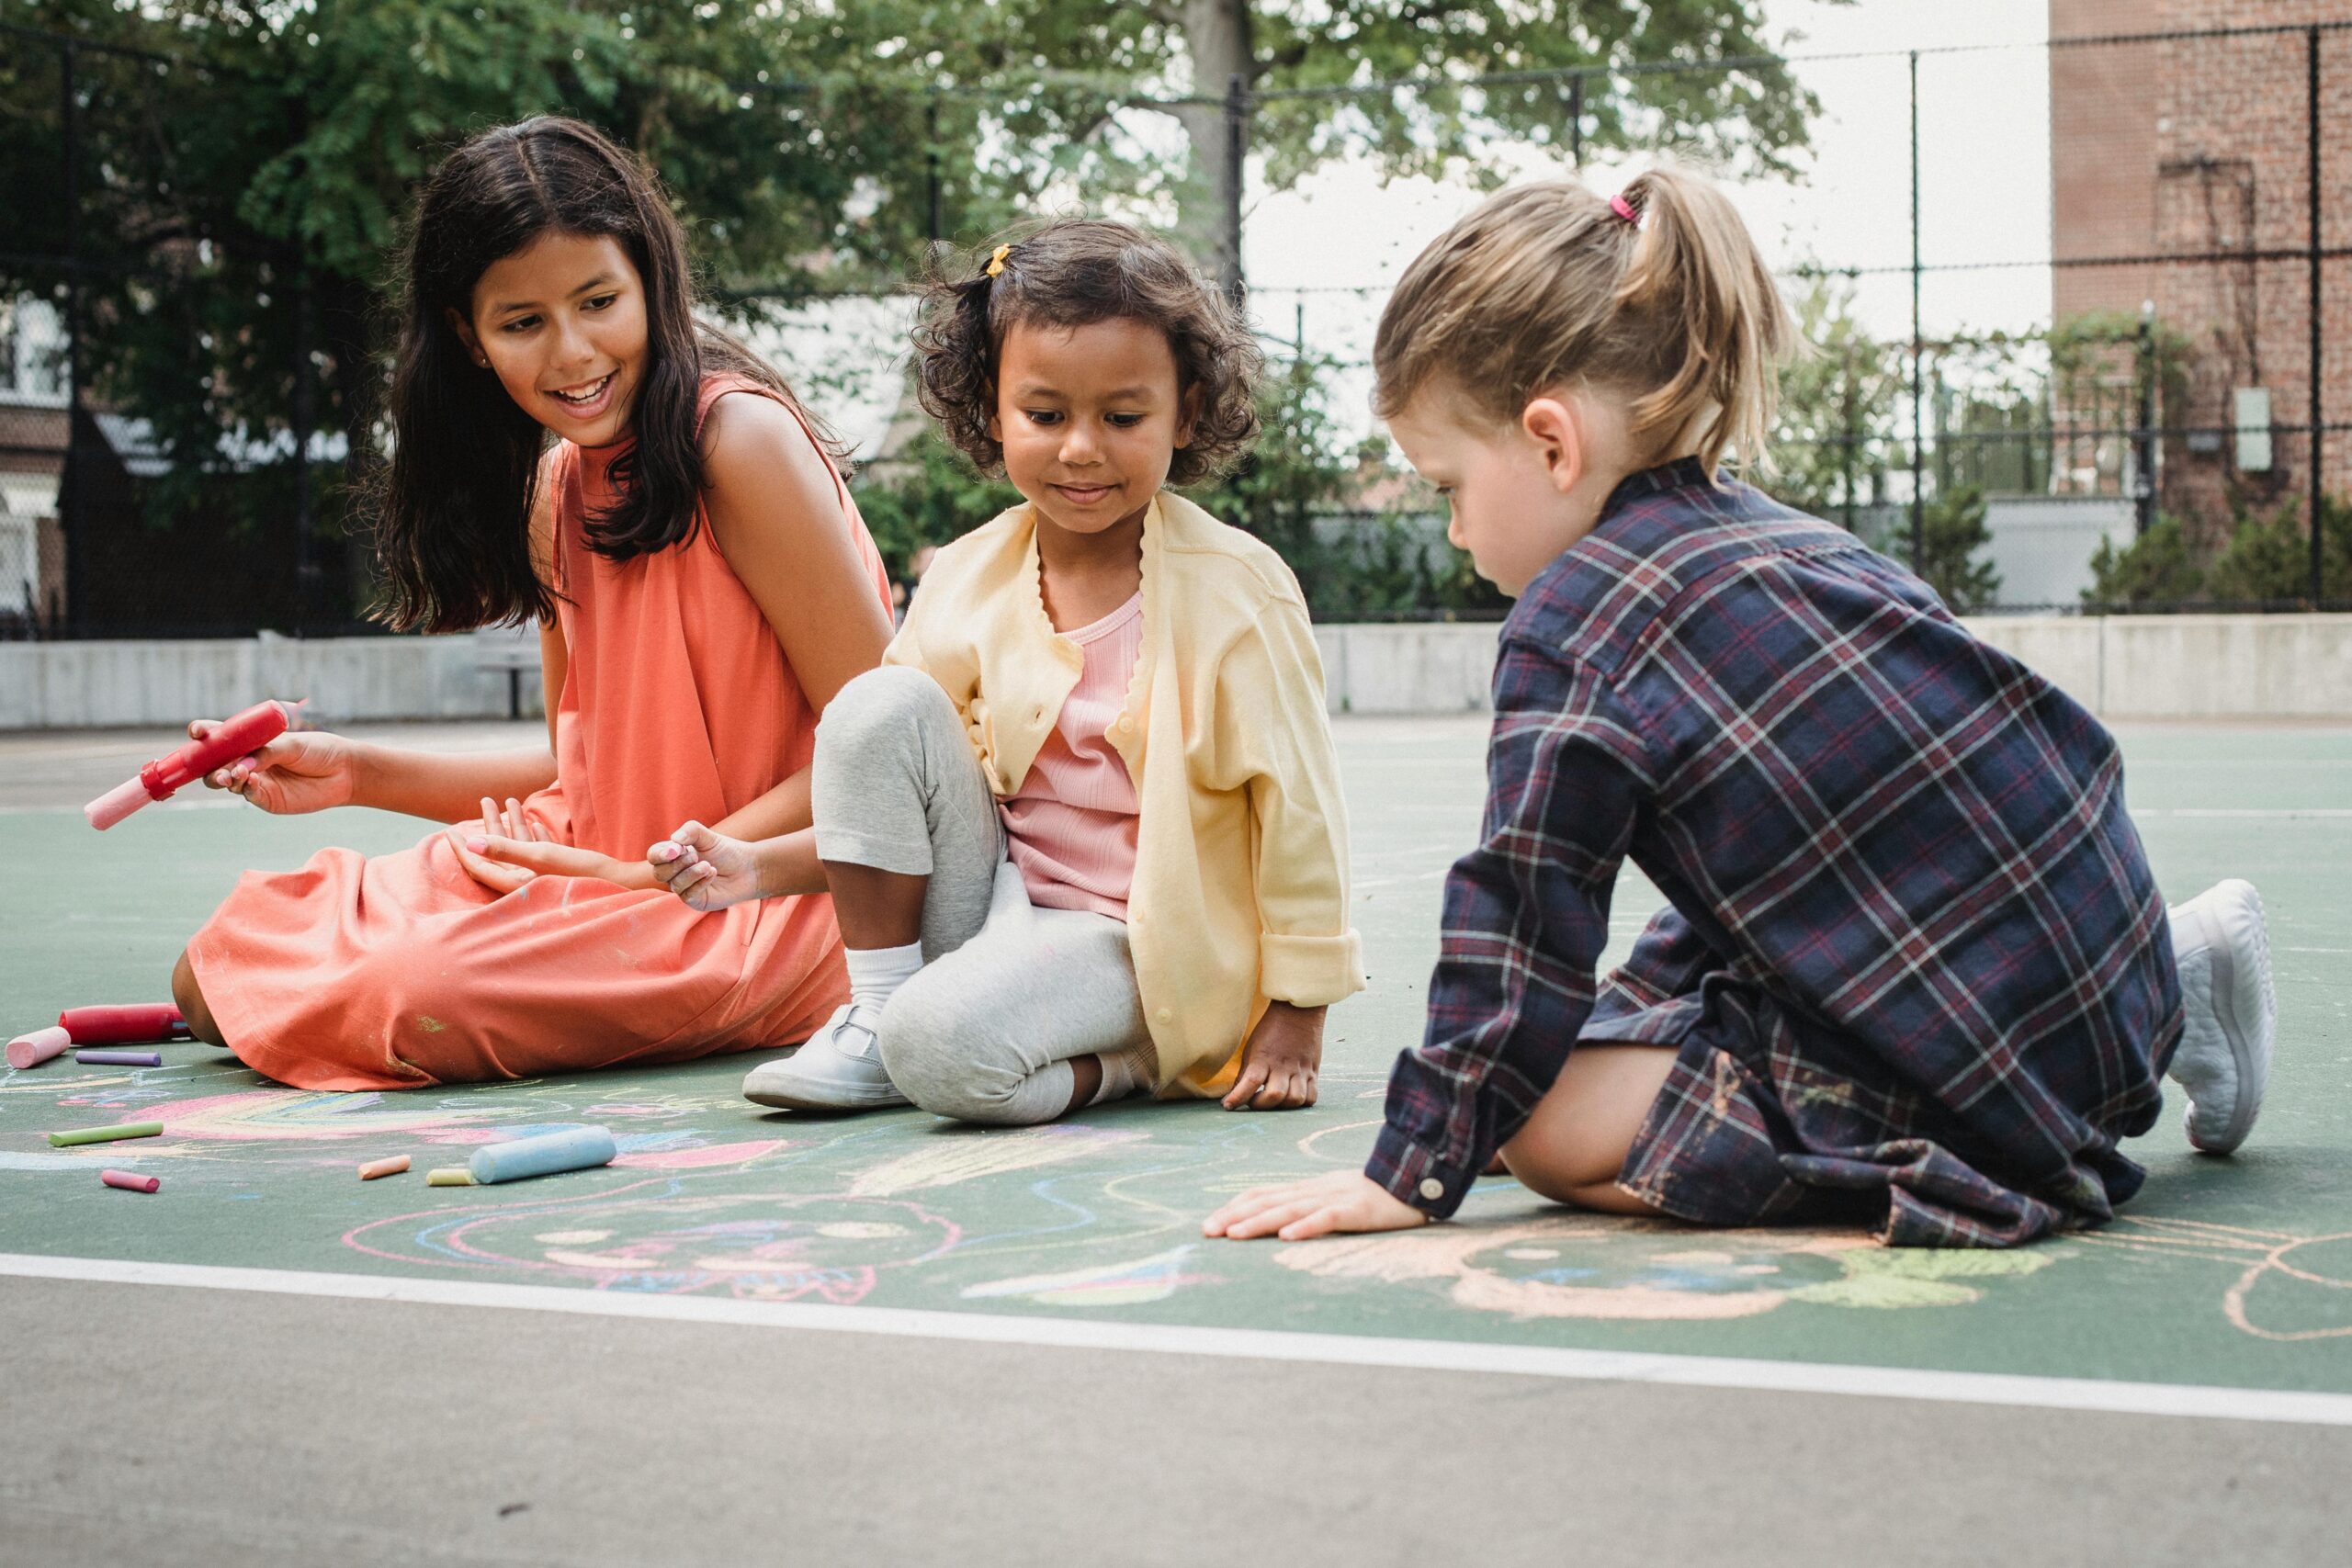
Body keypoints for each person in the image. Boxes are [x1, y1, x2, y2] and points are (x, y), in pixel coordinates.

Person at [1205, 170, 2275, 1248]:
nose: (1452, 531)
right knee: (1591, 1043)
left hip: (1993, 1071)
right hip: (2098, 968)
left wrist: (1423, 1161)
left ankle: (1984, 1120)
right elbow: (1758, 896)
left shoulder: (1575, 621)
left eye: (1446, 486)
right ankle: (2180, 975)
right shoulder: (1796, 540)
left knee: (1543, 1133)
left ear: (1551, 442)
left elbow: (1525, 915)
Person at [168, 117, 894, 1089]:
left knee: (406, 991)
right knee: (213, 972)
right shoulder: (556, 486)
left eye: (600, 301)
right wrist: (357, 772)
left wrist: (663, 871)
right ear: (469, 338)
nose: (573, 353)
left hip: (760, 893)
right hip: (598, 864)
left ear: (651, 283)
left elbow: (888, 755)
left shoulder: (738, 442)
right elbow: (578, 764)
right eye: (523, 323)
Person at [650, 220, 1365, 1124]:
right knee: (880, 703)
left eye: (1122, 416)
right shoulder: (966, 574)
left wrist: (1296, 1016)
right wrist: (753, 867)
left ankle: (1132, 1060)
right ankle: (878, 1018)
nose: (1080, 448)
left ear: (1184, 413)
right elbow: (893, 806)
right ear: (991, 408)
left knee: (943, 1051)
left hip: (1143, 945)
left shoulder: (1239, 595)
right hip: (991, 909)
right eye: (1046, 413)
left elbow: (1301, 819)